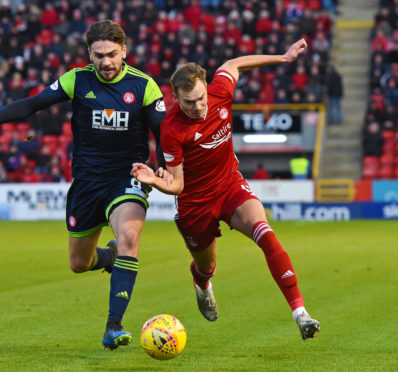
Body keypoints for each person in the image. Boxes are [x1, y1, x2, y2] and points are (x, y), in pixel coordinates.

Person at [0, 20, 169, 349]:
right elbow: (32, 104)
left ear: (124, 51)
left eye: (112, 54)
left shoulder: (144, 87)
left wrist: (165, 169)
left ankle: (114, 325)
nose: (106, 62)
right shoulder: (77, 79)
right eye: (98, 55)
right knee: (78, 263)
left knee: (128, 236)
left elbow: (163, 133)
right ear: (89, 53)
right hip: (86, 183)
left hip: (127, 178)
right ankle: (109, 260)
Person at [131, 38, 320, 340]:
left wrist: (283, 58)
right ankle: (202, 282)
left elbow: (233, 64)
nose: (198, 106)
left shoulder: (219, 91)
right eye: (188, 102)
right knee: (207, 267)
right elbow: (177, 184)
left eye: (201, 98)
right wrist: (155, 180)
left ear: (207, 86)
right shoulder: (172, 130)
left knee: (265, 233)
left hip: (230, 185)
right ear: (176, 98)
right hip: (194, 203)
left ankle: (300, 313)